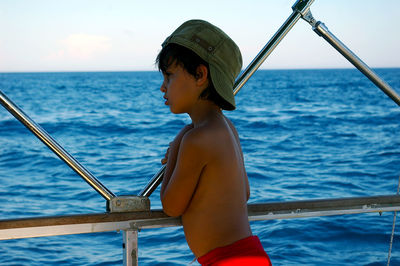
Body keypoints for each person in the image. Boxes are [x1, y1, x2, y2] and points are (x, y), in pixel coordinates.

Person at [156, 19, 272, 266]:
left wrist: (177, 147)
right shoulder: (227, 128)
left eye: (169, 76)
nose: (162, 87)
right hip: (249, 255)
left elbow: (171, 205)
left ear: (200, 75)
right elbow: (246, 192)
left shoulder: (195, 139)